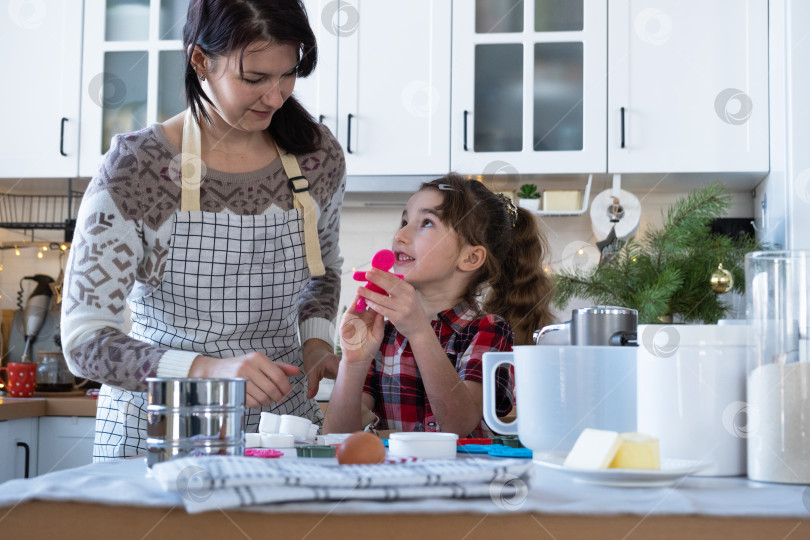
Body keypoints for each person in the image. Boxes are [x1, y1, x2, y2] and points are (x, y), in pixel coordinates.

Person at [61, 0, 346, 461]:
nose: (276, 97)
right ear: (200, 61)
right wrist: (208, 370)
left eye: (288, 74)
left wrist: (316, 342)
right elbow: (85, 340)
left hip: (280, 427)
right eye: (254, 79)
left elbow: (324, 267)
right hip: (158, 429)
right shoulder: (139, 168)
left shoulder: (317, 157)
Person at [324, 174, 554, 437]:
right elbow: (337, 436)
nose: (400, 235)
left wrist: (420, 332)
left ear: (470, 258)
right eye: (405, 221)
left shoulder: (488, 330)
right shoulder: (384, 333)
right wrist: (353, 361)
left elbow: (459, 424)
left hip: (465, 478)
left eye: (427, 223)